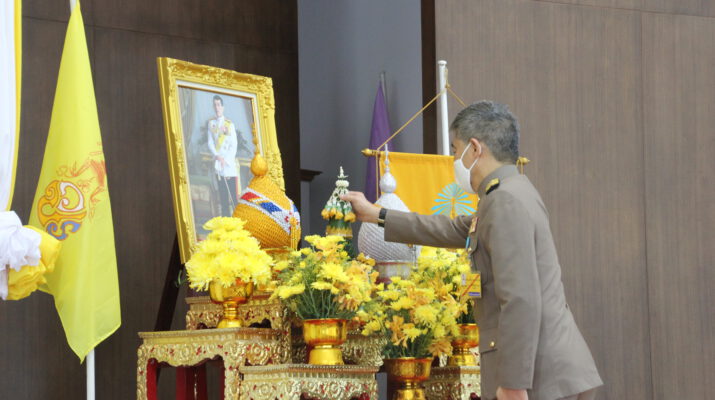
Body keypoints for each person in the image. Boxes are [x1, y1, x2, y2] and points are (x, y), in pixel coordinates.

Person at [341, 101, 602, 400]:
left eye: (455, 150)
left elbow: (521, 298)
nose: (454, 159)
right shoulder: (507, 192)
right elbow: (452, 228)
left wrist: (513, 383)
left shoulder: (504, 201)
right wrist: (376, 214)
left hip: (541, 380)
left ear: (475, 148)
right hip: (546, 374)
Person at [207, 95, 239, 216]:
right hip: (218, 165)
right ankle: (225, 222)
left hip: (228, 165)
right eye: (215, 105)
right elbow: (210, 142)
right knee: (223, 198)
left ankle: (236, 222)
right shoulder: (211, 124)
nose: (217, 107)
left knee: (233, 198)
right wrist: (217, 156)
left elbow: (234, 145)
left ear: (223, 107)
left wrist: (226, 160)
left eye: (219, 105)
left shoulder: (229, 124)